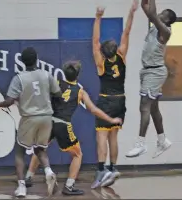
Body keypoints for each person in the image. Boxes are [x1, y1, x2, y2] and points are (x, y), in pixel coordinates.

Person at [25, 61, 122, 196]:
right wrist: (111, 119)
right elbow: (93, 110)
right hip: (63, 124)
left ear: (64, 73)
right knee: (77, 155)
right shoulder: (80, 92)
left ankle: (28, 177)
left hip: (48, 121)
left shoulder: (56, 83)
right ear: (78, 75)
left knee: (40, 148)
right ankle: (69, 186)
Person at [0, 47, 62, 198]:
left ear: (22, 62)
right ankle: (48, 171)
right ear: (37, 59)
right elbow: (58, 93)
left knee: (19, 152)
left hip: (29, 118)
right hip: (46, 117)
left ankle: (22, 187)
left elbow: (10, 100)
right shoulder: (46, 74)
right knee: (40, 149)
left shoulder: (19, 78)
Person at [126, 0, 177, 158]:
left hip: (155, 71)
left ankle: (140, 143)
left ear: (168, 20)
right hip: (148, 70)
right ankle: (163, 140)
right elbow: (144, 4)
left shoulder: (165, 31)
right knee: (153, 108)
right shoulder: (156, 26)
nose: (159, 13)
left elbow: (153, 11)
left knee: (144, 106)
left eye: (164, 13)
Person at [91, 0, 139, 189]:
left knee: (101, 137)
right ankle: (113, 167)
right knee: (113, 137)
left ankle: (102, 171)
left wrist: (98, 17)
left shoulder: (101, 63)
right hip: (121, 101)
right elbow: (126, 32)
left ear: (103, 53)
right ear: (115, 50)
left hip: (106, 101)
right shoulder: (122, 55)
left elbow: (94, 41)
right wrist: (132, 12)